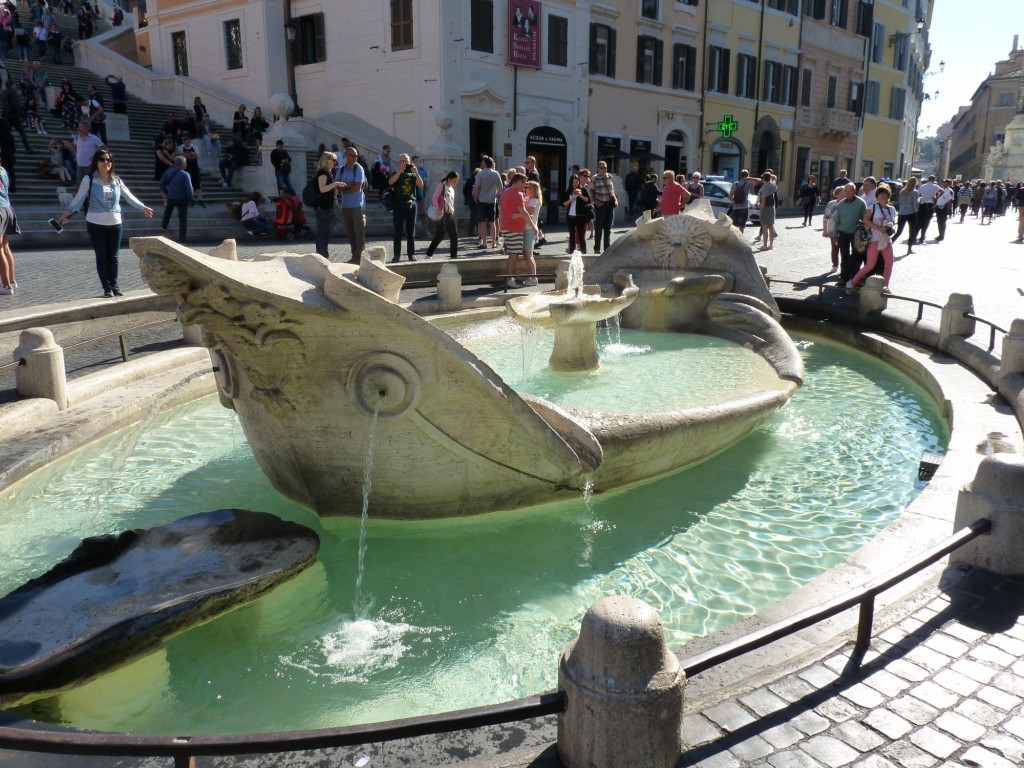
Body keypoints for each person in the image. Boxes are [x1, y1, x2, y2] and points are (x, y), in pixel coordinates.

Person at [57, 148, 153, 297]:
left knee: (113, 257)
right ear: (96, 162)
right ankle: (107, 288)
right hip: (95, 222)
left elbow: (128, 196)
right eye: (102, 159)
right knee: (102, 256)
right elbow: (78, 199)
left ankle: (115, 286)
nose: (106, 162)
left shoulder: (116, 180)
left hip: (115, 222)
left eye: (108, 160)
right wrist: (66, 213)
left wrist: (143, 207)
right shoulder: (89, 179)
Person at [847, 184, 896, 294]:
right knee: (870, 265)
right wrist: (878, 227)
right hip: (874, 238)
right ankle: (852, 282)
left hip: (886, 240)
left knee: (889, 263)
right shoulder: (873, 206)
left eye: (885, 194)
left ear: (889, 196)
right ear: (877, 196)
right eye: (880, 194)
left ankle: (885, 286)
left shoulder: (891, 209)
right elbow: (865, 220)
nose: (883, 196)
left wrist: (891, 228)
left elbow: (894, 223)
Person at [499, 173, 539, 288]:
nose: (524, 185)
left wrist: (503, 222)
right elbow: (525, 213)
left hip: (507, 227)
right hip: (513, 229)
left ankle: (509, 278)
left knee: (513, 253)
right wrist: (533, 226)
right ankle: (509, 279)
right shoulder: (517, 194)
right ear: (516, 181)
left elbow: (502, 210)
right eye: (523, 182)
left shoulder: (505, 192)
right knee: (514, 255)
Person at [388, 152, 423, 262]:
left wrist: (416, 172)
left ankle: (411, 254)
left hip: (411, 205)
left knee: (410, 232)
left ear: (409, 162)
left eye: (406, 161)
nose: (404, 163)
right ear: (399, 163)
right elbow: (390, 182)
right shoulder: (396, 173)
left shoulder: (413, 174)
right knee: (397, 232)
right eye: (402, 161)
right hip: (398, 205)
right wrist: (399, 172)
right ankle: (396, 255)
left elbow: (421, 185)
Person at [335, 145, 367, 263]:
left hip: (357, 205)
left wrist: (345, 186)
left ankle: (359, 257)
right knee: (350, 232)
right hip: (345, 205)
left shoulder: (358, 168)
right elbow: (337, 185)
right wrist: (348, 185)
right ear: (346, 155)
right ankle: (354, 255)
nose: (355, 158)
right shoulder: (341, 169)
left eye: (356, 156)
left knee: (359, 233)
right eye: (352, 155)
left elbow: (357, 187)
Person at [833, 182, 867, 287]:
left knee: (856, 257)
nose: (847, 193)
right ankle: (844, 277)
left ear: (854, 191)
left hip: (856, 234)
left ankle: (854, 278)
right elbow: (837, 220)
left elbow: (865, 219)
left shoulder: (861, 203)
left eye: (849, 191)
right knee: (844, 256)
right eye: (845, 191)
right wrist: (835, 235)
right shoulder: (842, 204)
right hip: (843, 233)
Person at [312, 151, 343, 258]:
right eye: (333, 160)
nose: (335, 162)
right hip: (323, 208)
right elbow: (322, 188)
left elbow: (327, 189)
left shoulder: (328, 172)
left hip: (327, 206)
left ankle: (321, 256)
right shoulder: (323, 173)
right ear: (327, 160)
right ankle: (323, 256)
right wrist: (335, 184)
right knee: (323, 234)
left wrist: (335, 189)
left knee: (324, 233)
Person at [425, 171, 459, 260]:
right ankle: (428, 255)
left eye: (456, 181)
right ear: (449, 179)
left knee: (453, 236)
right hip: (442, 214)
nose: (455, 183)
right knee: (440, 236)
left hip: (449, 214)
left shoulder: (452, 189)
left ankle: (453, 256)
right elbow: (434, 197)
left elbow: (451, 202)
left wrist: (452, 210)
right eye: (454, 181)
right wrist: (438, 209)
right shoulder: (441, 186)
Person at [159, 155, 193, 242]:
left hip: (171, 197)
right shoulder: (185, 174)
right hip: (183, 199)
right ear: (182, 164)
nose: (186, 164)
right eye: (185, 162)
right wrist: (190, 198)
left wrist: (167, 192)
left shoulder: (168, 172)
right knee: (182, 219)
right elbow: (189, 189)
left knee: (168, 210)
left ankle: (164, 224)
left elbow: (162, 184)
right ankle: (182, 238)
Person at [473, 155, 502, 249]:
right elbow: (501, 187)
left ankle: (484, 242)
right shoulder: (496, 173)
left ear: (485, 163)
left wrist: (475, 198)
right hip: (492, 200)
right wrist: (495, 195)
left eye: (482, 162)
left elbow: (476, 188)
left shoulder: (479, 174)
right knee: (492, 222)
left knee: (482, 222)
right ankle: (493, 243)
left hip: (482, 200)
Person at [589, 160, 617, 253]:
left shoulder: (610, 176)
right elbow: (591, 193)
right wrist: (596, 202)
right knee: (598, 228)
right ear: (598, 168)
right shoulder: (595, 178)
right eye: (602, 167)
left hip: (609, 206)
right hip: (600, 206)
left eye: (605, 167)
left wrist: (615, 200)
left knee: (608, 229)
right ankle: (597, 249)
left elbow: (612, 190)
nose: (604, 169)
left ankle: (607, 249)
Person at [0, 155, 18, 296]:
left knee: (0, 249)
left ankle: (5, 286)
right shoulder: (3, 170)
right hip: (7, 207)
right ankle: (11, 281)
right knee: (5, 247)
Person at [562, 173, 592, 254]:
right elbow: (563, 204)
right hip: (571, 217)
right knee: (572, 236)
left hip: (580, 216)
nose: (575, 184)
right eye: (573, 182)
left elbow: (588, 200)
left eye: (576, 181)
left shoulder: (583, 190)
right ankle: (572, 252)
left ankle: (584, 252)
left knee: (581, 236)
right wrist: (571, 200)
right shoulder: (568, 191)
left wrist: (580, 195)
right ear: (570, 182)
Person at [895, 176, 920, 255]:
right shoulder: (915, 192)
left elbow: (899, 202)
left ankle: (890, 243)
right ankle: (909, 249)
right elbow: (915, 204)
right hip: (911, 212)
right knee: (912, 231)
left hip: (902, 212)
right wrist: (918, 207)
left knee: (899, 231)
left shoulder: (902, 191)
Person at [820, 186, 842, 274]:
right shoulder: (831, 204)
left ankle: (844, 266)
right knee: (835, 247)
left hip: (844, 229)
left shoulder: (847, 203)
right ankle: (835, 265)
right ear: (837, 194)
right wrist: (825, 230)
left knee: (844, 249)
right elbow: (826, 217)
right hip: (833, 229)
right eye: (841, 192)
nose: (844, 193)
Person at [178, 133, 204, 206]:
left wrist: (188, 155)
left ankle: (200, 200)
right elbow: (182, 156)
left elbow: (197, 155)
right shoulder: (181, 147)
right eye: (182, 139)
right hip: (186, 168)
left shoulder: (194, 146)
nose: (183, 141)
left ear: (189, 140)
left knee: (197, 184)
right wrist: (191, 154)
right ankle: (191, 199)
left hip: (194, 167)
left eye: (185, 139)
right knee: (189, 184)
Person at [915, 174, 941, 243]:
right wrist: (936, 198)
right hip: (930, 204)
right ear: (934, 180)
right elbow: (942, 191)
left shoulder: (922, 186)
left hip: (922, 204)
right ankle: (922, 236)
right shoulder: (935, 186)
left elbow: (918, 195)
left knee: (919, 220)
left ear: (928, 179)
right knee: (926, 221)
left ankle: (914, 236)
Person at [757, 171, 778, 250]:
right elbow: (775, 177)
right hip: (772, 207)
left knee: (765, 227)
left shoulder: (764, 189)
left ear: (763, 179)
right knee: (771, 226)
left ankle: (765, 245)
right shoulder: (773, 185)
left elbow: (762, 203)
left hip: (766, 208)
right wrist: (769, 175)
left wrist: (761, 213)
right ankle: (771, 245)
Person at [412, 155, 429, 236]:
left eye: (417, 161)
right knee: (412, 215)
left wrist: (425, 193)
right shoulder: (409, 173)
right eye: (415, 161)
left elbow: (425, 183)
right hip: (412, 196)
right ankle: (413, 232)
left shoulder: (422, 172)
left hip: (421, 195)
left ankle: (426, 231)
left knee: (423, 214)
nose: (416, 163)